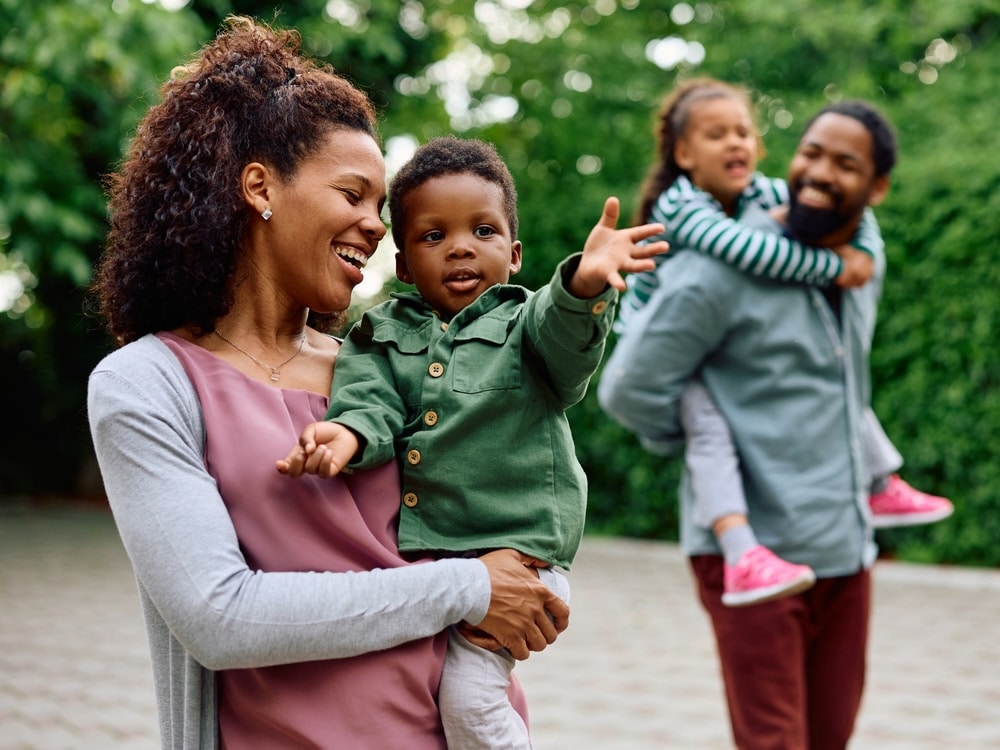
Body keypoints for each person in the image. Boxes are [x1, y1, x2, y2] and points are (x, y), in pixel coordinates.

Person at [85, 18, 571, 749]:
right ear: (260, 187)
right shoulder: (147, 384)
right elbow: (221, 617)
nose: (375, 227)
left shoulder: (383, 367)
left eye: (381, 209)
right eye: (354, 195)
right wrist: (470, 586)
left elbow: (510, 484)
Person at [277, 135, 669, 749]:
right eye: (434, 236)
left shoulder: (525, 324)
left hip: (521, 559)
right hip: (442, 564)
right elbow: (369, 402)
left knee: (468, 702)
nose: (460, 246)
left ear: (513, 254)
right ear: (403, 265)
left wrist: (585, 285)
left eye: (482, 232)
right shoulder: (380, 333)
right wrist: (345, 435)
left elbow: (565, 342)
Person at [599, 100, 914, 748]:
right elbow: (628, 388)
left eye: (844, 163)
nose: (818, 171)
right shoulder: (719, 267)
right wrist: (707, 437)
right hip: (751, 552)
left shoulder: (863, 263)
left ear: (876, 188)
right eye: (812, 152)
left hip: (845, 550)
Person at [618, 79, 952, 607]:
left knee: (832, 371)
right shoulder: (681, 206)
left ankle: (879, 480)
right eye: (716, 134)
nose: (735, 143)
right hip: (655, 340)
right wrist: (836, 265)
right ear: (683, 153)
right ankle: (740, 549)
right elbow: (754, 253)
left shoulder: (761, 192)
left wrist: (866, 245)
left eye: (743, 132)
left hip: (723, 348)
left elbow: (849, 218)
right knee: (710, 431)